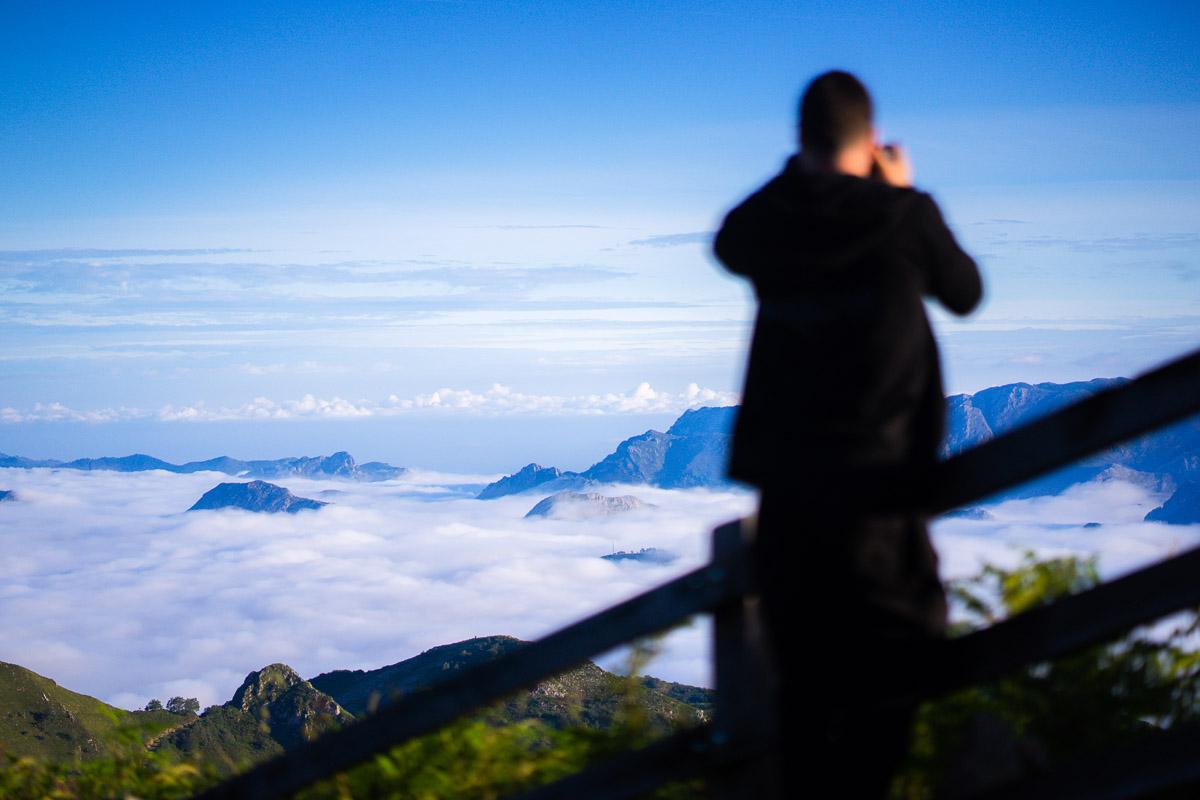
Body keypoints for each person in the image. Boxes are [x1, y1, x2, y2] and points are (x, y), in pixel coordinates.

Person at [712, 70, 983, 796]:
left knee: (802, 681)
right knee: (893, 664)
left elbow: (728, 242)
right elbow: (965, 291)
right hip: (883, 485)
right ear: (871, 140)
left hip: (791, 491)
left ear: (801, 142)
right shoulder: (903, 213)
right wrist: (893, 189)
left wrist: (804, 177)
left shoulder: (773, 223)